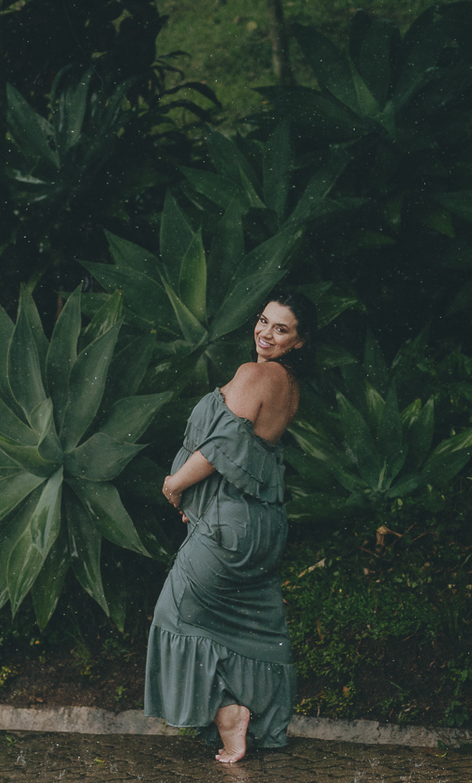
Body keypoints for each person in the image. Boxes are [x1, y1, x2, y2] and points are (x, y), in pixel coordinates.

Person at [144, 292, 316, 764]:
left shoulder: (254, 374)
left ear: (299, 341)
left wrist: (175, 484)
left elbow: (221, 448)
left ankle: (229, 717)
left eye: (281, 329)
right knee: (252, 631)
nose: (265, 332)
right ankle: (253, 722)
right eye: (263, 320)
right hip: (261, 527)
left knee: (174, 615)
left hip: (229, 526)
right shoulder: (289, 386)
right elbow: (250, 457)